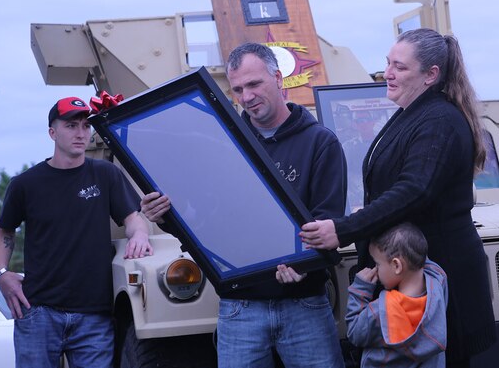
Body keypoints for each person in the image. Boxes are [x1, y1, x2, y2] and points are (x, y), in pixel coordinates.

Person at [141, 43, 347, 368]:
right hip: (240, 309)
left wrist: (304, 265)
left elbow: (328, 219)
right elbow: (206, 222)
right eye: (237, 89)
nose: (246, 96)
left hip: (304, 304)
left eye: (254, 84)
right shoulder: (222, 146)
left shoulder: (320, 143)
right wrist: (165, 216)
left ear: (278, 78)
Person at [300, 28, 496, 368]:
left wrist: (343, 229)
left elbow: (415, 189)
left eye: (400, 67)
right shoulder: (415, 114)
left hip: (439, 274)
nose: (388, 73)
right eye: (387, 64)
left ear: (430, 75)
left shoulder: (439, 119)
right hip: (414, 272)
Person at [0, 96, 153, 368]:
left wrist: (140, 234)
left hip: (94, 316)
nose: (81, 133)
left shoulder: (106, 175)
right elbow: (4, 230)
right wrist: (1, 274)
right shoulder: (26, 184)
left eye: (84, 126)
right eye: (71, 126)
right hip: (38, 312)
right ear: (52, 132)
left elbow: (133, 217)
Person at [346, 222, 448, 368]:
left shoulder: (380, 312)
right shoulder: (438, 282)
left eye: (378, 264)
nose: (375, 269)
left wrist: (360, 288)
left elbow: (355, 332)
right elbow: (425, 261)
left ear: (396, 266)